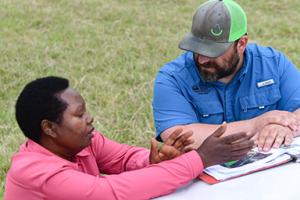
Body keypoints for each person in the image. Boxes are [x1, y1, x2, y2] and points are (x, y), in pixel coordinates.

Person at [4, 76, 253, 200]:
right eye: (79, 115)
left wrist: (152, 161)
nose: (90, 119)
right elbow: (110, 193)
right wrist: (199, 159)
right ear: (49, 128)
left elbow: (123, 158)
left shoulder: (81, 141)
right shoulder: (36, 173)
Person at [152, 0, 300, 152]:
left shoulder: (273, 64)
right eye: (196, 49)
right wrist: (256, 125)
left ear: (241, 44)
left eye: (212, 52)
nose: (202, 59)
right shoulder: (172, 78)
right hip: (204, 171)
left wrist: (282, 129)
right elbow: (178, 137)